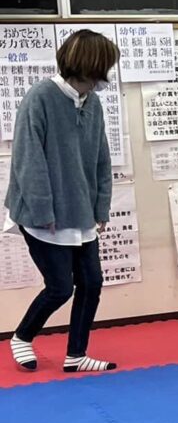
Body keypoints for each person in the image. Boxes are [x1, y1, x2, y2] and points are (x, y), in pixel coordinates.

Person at [4, 29, 120, 373]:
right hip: (42, 214)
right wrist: (43, 209)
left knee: (92, 283)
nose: (105, 76)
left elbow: (101, 158)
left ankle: (76, 354)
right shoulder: (40, 97)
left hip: (80, 211)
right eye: (103, 67)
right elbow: (28, 159)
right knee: (59, 287)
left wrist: (101, 207)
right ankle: (21, 337)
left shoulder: (92, 102)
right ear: (89, 66)